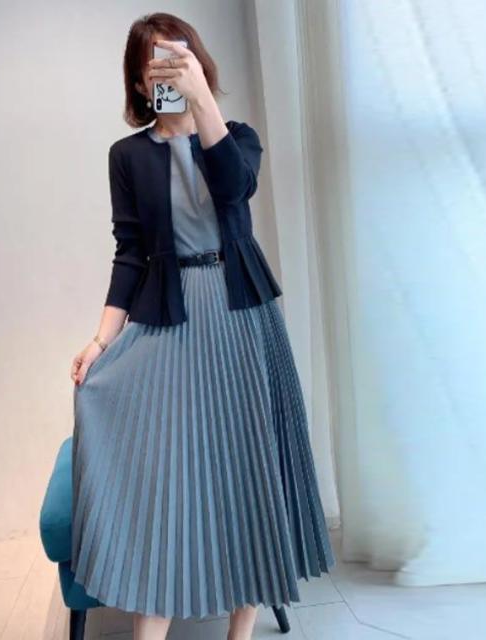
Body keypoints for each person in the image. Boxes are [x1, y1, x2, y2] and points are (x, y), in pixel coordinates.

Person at [69, 12, 335, 640]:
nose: (166, 73)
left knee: (247, 466)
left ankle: (239, 632)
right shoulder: (128, 156)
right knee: (163, 476)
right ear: (138, 82)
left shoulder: (236, 137)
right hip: (171, 312)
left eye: (179, 59)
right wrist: (101, 340)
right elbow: (130, 252)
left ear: (199, 64)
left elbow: (235, 189)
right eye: (155, 66)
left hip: (241, 314)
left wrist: (201, 105)